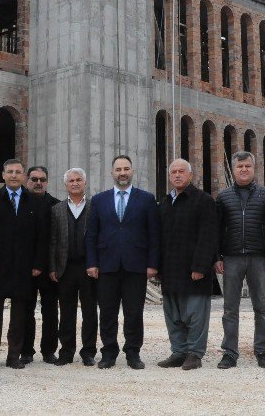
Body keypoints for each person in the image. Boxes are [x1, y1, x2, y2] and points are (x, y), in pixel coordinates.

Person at [85, 155, 159, 370]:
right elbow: (92, 235)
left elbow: (153, 234)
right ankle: (108, 352)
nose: (122, 173)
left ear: (132, 171)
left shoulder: (146, 199)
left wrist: (152, 264)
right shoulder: (99, 200)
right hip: (106, 266)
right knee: (107, 312)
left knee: (133, 312)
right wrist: (92, 262)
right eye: (118, 169)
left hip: (136, 266)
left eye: (126, 168)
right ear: (112, 173)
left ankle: (133, 353)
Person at [0, 159, 46, 370]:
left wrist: (37, 263)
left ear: (24, 176)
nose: (14, 175)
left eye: (18, 172)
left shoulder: (33, 201)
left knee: (20, 316)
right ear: (3, 175)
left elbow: (40, 237)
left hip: (23, 268)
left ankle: (14, 356)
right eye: (10, 172)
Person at [214, 151, 265, 370]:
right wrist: (217, 257)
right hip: (231, 258)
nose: (243, 170)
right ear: (233, 170)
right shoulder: (223, 197)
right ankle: (230, 353)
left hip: (258, 258)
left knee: (262, 307)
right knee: (230, 308)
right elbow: (217, 230)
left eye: (247, 166)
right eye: (239, 166)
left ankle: (263, 351)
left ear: (254, 168)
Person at [156, 159, 219, 371]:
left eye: (181, 171)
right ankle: (178, 352)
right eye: (173, 172)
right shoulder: (164, 203)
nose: (177, 175)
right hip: (170, 269)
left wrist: (201, 267)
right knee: (173, 314)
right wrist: (157, 267)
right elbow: (159, 238)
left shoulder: (203, 201)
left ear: (190, 175)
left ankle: (194, 353)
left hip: (194, 270)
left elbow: (208, 236)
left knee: (195, 314)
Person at [48, 167, 98, 366]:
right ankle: (66, 352)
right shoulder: (57, 209)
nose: (75, 183)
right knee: (66, 312)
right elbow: (53, 240)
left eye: (79, 180)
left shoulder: (95, 207)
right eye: (71, 180)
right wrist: (52, 267)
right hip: (65, 268)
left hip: (88, 268)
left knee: (90, 311)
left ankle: (88, 352)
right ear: (65, 185)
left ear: (85, 183)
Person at [23, 165, 60, 364]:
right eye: (34, 179)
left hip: (48, 269)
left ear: (47, 182)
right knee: (25, 311)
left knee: (50, 312)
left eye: (42, 179)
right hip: (25, 269)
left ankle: (49, 351)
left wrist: (54, 267)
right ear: (27, 180)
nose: (38, 183)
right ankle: (26, 351)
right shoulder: (19, 203)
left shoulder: (56, 206)